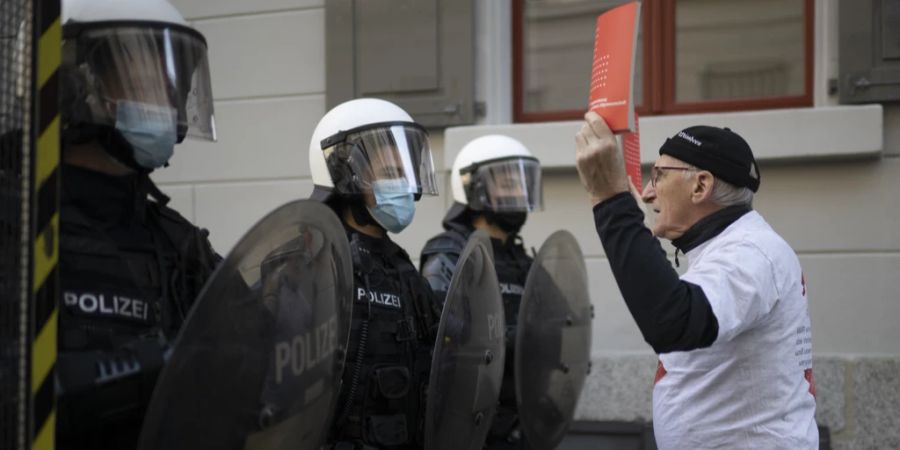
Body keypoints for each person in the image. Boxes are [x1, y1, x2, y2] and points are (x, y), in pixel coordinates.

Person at [573, 112, 818, 449]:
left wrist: (612, 202)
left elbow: (674, 321)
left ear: (701, 185)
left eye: (658, 175)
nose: (646, 193)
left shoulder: (750, 252)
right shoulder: (737, 247)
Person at [56, 0, 220, 448]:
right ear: (76, 84)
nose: (166, 99)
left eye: (173, 83)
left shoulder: (181, 243)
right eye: (146, 78)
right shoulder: (19, 232)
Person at [309, 97, 440, 449]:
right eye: (390, 173)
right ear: (344, 174)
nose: (403, 185)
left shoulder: (402, 268)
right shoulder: (312, 262)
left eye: (405, 172)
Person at [419, 134, 543, 449]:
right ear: (473, 188)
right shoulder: (450, 253)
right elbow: (444, 333)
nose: (518, 191)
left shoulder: (524, 262)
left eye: (522, 183)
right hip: (469, 425)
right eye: (506, 183)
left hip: (520, 422)